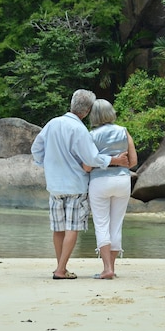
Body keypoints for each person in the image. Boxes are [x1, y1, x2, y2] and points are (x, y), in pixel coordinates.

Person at [31, 89, 129, 280]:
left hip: (55, 185)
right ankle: (61, 270)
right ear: (86, 111)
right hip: (75, 184)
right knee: (72, 227)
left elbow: (36, 148)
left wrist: (47, 164)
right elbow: (91, 159)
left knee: (58, 228)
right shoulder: (80, 130)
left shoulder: (53, 123)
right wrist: (114, 160)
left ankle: (61, 267)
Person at [84, 99, 138, 279]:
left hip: (99, 182)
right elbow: (134, 161)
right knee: (116, 225)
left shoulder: (91, 135)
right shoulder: (123, 131)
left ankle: (107, 268)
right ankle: (111, 268)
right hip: (122, 180)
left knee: (101, 224)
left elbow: (87, 165)